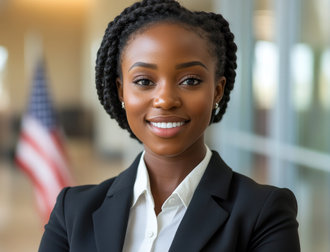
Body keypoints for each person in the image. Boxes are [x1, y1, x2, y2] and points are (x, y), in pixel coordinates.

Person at [38, 0, 300, 251]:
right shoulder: (71, 211)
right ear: (121, 92)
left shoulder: (264, 213)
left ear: (217, 91)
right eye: (143, 81)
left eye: (190, 81)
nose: (165, 100)